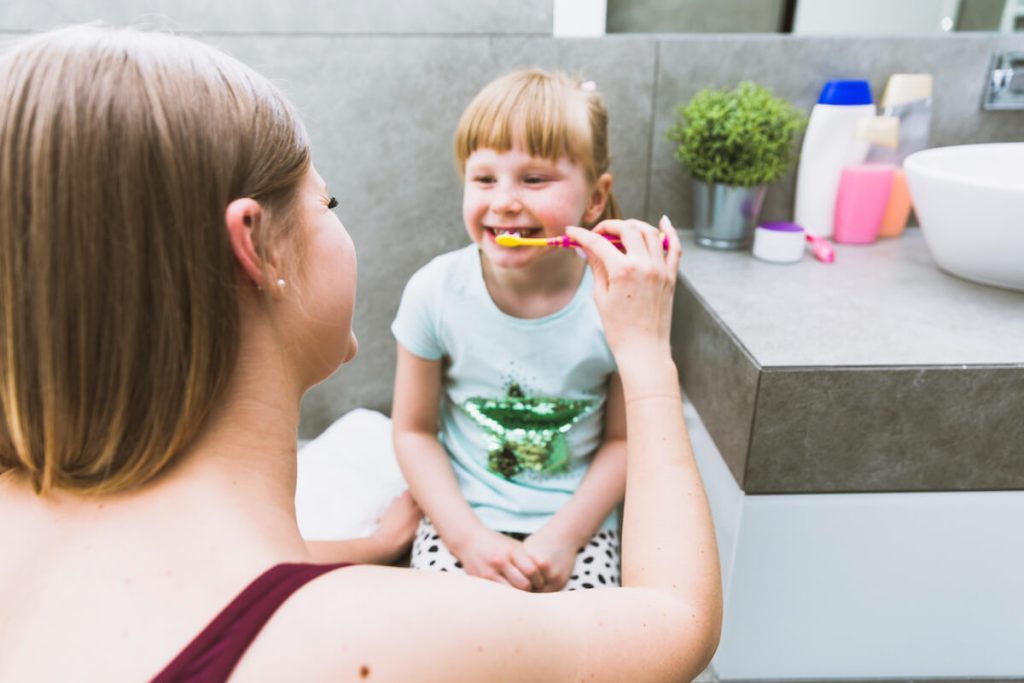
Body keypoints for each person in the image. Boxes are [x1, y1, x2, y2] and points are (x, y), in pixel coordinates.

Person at [0, 25, 721, 682]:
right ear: (255, 244)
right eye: (329, 201)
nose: (505, 200)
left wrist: (369, 547)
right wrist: (648, 351)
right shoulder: (390, 637)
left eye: (533, 178)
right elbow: (677, 620)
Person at [392, 69, 630, 592]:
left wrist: (565, 537)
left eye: (534, 178)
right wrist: (467, 538)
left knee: (587, 655)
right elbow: (412, 430)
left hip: (578, 524)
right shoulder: (434, 291)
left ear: (595, 198)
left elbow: (623, 440)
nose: (503, 200)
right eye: (484, 179)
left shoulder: (617, 298)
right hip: (462, 515)